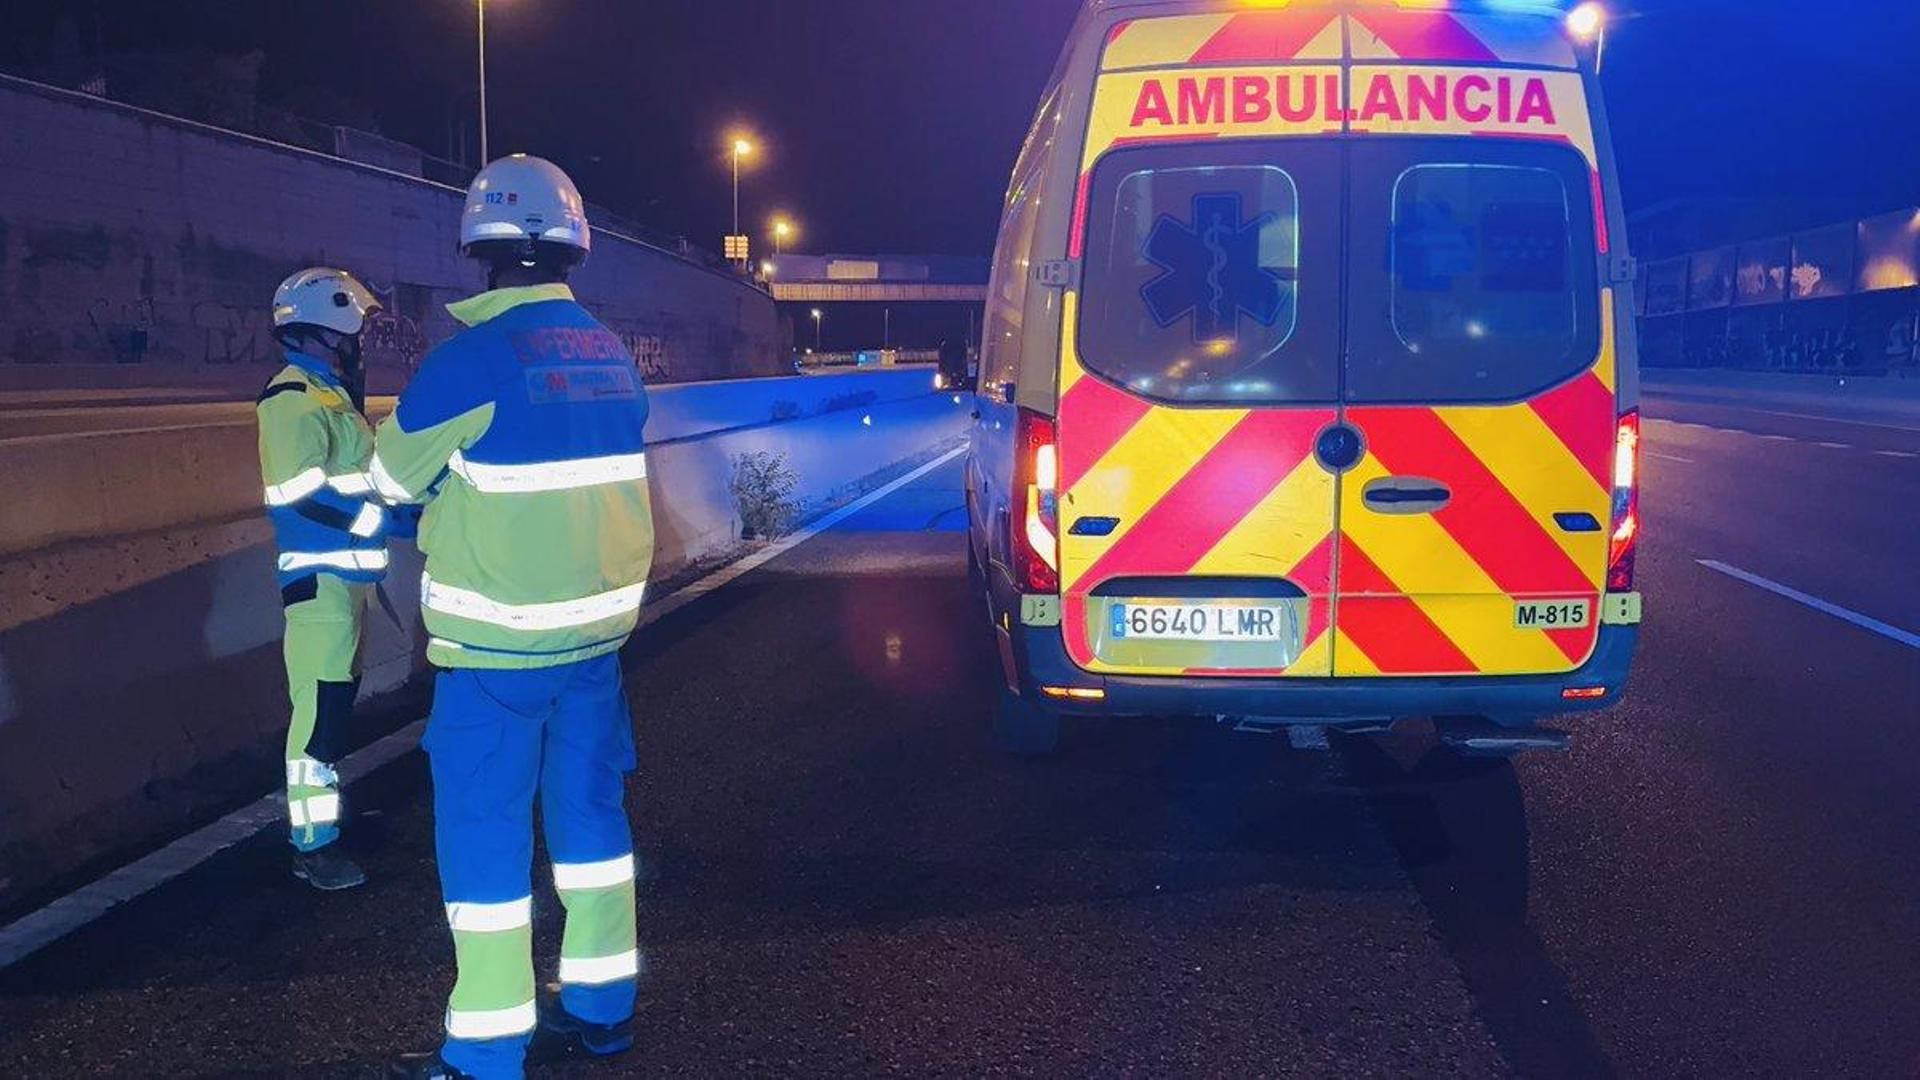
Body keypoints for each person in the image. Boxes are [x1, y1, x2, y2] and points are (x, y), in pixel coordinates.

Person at [372, 155, 654, 1080]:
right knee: (591, 822)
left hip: (497, 653)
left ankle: (490, 1047)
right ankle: (603, 1006)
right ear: (574, 244)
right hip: (596, 649)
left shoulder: (469, 360)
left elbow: (387, 479)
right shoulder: (613, 354)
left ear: (480, 247)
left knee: (488, 842)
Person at [257, 268, 391, 891]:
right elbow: (295, 492)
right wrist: (377, 516)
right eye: (355, 328)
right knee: (317, 719)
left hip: (346, 584)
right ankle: (312, 845)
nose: (360, 339)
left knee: (334, 712)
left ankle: (327, 824)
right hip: (319, 586)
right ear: (326, 327)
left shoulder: (329, 394)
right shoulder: (292, 399)